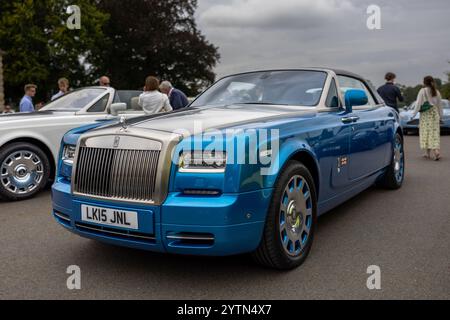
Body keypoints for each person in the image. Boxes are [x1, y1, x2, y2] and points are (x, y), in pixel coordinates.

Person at [410, 76, 443, 161]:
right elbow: (440, 105)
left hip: (425, 115)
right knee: (434, 133)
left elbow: (418, 104)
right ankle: (430, 152)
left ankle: (435, 152)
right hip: (434, 114)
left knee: (426, 133)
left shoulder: (422, 91)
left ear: (424, 82)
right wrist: (441, 116)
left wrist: (413, 115)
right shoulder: (437, 92)